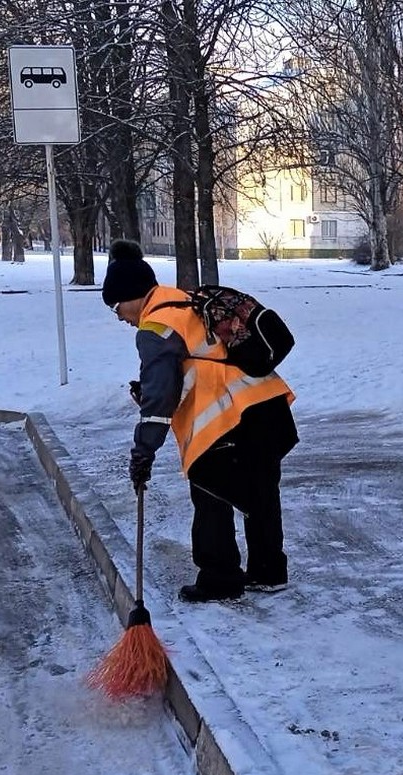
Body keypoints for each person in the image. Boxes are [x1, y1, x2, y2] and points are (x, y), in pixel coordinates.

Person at [101, 240, 299, 603]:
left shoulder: (156, 324)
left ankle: (220, 578)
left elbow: (162, 396)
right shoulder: (190, 301)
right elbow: (193, 368)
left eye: (116, 305)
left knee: (211, 494)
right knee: (261, 494)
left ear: (133, 296)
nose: (118, 315)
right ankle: (269, 572)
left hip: (227, 422)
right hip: (268, 409)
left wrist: (144, 449)